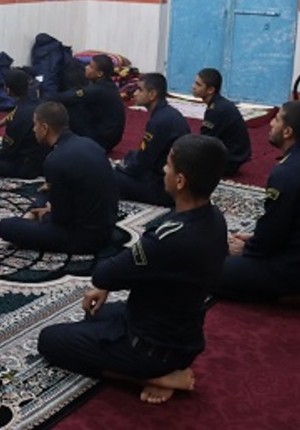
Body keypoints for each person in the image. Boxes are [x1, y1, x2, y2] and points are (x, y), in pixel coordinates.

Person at [38, 135, 230, 405]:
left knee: (50, 341)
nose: (164, 169)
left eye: (168, 165)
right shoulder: (215, 219)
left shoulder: (167, 238)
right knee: (95, 315)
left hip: (152, 350)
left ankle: (151, 377)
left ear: (180, 181)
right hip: (182, 336)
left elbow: (105, 273)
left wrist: (104, 283)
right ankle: (156, 369)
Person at [217, 101, 300, 311]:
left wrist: (247, 248)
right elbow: (295, 223)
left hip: (293, 269)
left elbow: (270, 235)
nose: (270, 124)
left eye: (276, 120)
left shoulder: (287, 172)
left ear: (287, 132)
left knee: (205, 270)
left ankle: (287, 294)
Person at [0, 101, 118, 254]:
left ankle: (5, 227)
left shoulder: (55, 160)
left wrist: (48, 214)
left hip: (84, 239)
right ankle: (30, 215)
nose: (34, 130)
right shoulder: (90, 144)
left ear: (44, 128)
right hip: (107, 227)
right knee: (44, 192)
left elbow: (60, 220)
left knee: (9, 226)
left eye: (35, 125)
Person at [115, 73, 190, 207]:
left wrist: (123, 169)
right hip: (174, 179)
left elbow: (143, 162)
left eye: (140, 89)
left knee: (110, 177)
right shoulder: (168, 113)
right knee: (131, 157)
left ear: (152, 95)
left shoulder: (159, 121)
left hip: (167, 189)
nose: (135, 93)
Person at [46, 54, 126, 153]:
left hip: (102, 141)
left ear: (99, 74)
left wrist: (45, 98)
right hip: (109, 135)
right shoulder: (107, 84)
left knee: (66, 108)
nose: (86, 67)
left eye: (91, 67)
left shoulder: (97, 89)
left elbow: (70, 97)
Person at [0, 68, 47, 179]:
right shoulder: (37, 101)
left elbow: (7, 154)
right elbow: (14, 113)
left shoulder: (18, 119)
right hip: (45, 159)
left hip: (28, 168)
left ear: (7, 90)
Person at [191, 68, 251, 176]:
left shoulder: (216, 110)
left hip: (230, 160)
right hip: (236, 155)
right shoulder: (220, 104)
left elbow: (205, 141)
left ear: (210, 90)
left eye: (198, 84)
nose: (193, 87)